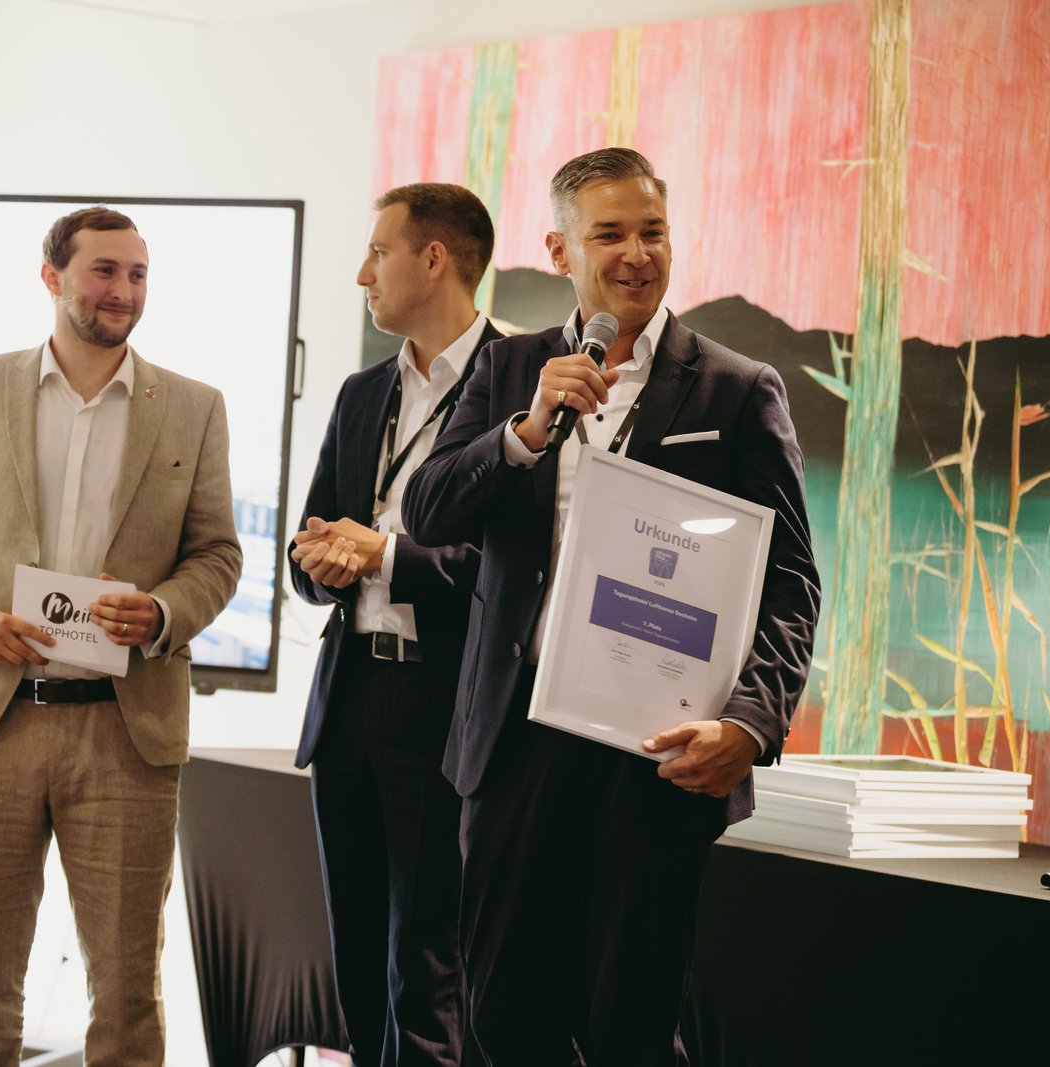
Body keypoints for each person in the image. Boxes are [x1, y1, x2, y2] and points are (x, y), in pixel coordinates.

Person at [402, 147, 821, 1064]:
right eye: (610, 235)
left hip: (657, 753)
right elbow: (427, 511)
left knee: (630, 1024)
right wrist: (522, 433)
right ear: (560, 250)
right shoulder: (510, 368)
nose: (637, 254)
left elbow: (791, 581)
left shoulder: (737, 389)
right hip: (515, 741)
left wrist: (750, 723)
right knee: (504, 1017)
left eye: (653, 232)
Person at [0, 206, 242, 1067]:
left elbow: (218, 555)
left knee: (126, 993)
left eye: (138, 274)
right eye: (104, 270)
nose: (124, 290)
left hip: (126, 729)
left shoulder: (193, 407)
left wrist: (160, 611)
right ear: (52, 278)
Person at [290, 183, 500, 1066]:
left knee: (427, 968)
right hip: (349, 698)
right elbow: (306, 547)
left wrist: (384, 557)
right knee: (357, 960)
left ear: (434, 258)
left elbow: (511, 576)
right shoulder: (360, 391)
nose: (361, 273)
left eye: (379, 252)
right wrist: (322, 561)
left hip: (444, 704)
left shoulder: (516, 388)